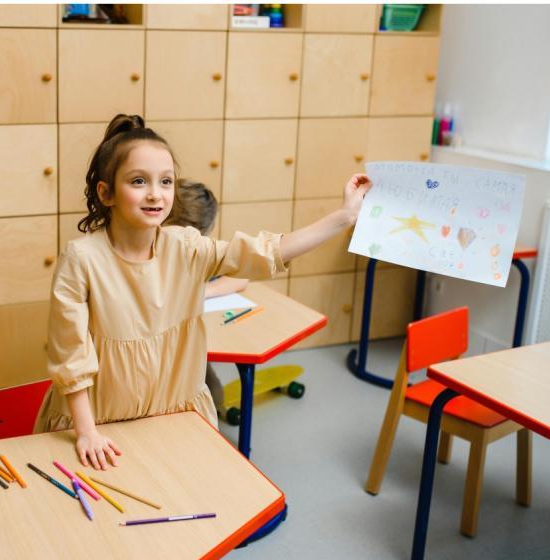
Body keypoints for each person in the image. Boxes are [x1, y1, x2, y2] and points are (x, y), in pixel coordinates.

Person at [34, 114, 371, 470]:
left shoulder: (186, 246)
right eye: (138, 181)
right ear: (106, 193)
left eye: (166, 181)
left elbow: (267, 252)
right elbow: (72, 357)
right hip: (98, 426)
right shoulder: (81, 259)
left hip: (174, 418)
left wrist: (345, 216)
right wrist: (87, 432)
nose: (155, 193)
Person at [164, 179, 247, 415]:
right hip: (157, 357)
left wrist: (204, 292)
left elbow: (241, 277)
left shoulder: (199, 251)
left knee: (213, 391)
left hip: (190, 348)